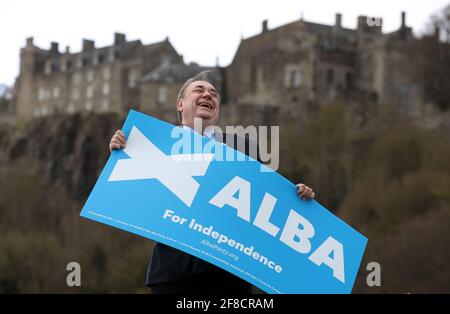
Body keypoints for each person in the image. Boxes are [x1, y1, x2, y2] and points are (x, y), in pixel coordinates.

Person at [108, 71, 315, 294]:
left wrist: (298, 196)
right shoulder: (154, 144)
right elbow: (134, 199)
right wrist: (119, 153)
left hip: (230, 275)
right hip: (173, 275)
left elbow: (266, 203)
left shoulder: (246, 148)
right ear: (180, 104)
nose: (208, 94)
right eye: (199, 90)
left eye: (214, 93)